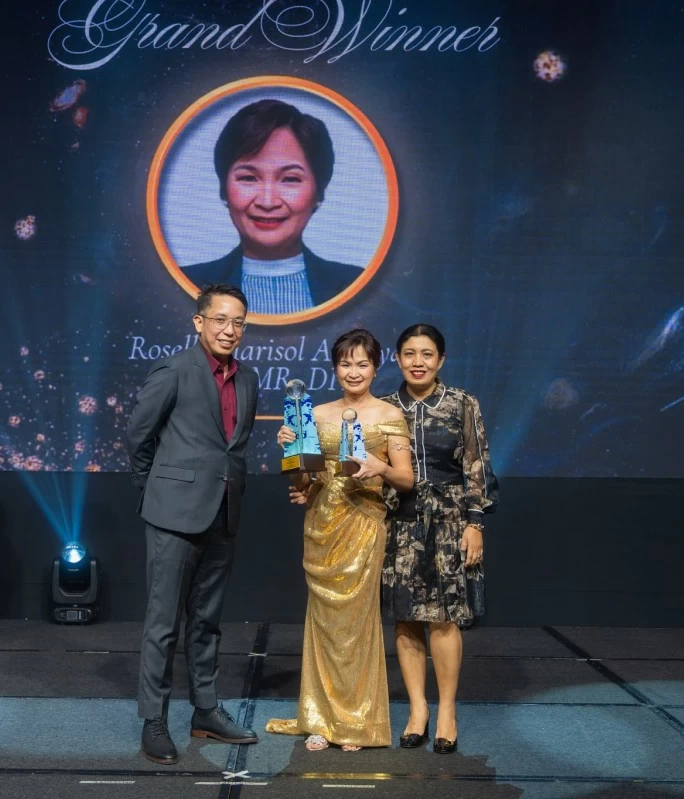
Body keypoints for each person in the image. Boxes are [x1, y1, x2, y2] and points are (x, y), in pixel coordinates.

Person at [126, 283, 261, 765]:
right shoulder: (173, 370)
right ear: (199, 322)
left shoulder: (247, 379)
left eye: (238, 322)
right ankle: (154, 721)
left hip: (223, 512)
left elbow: (232, 449)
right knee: (163, 624)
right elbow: (138, 437)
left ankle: (205, 710)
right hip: (172, 514)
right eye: (220, 319)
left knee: (207, 622)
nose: (230, 329)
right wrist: (153, 493)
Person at [268, 329, 413, 751]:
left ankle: (358, 723)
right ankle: (322, 717)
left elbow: (406, 479)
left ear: (375, 367)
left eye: (362, 363)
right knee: (325, 621)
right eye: (346, 363)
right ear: (335, 367)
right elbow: (302, 480)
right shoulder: (315, 414)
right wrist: (290, 450)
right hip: (322, 523)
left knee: (357, 623)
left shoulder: (389, 415)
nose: (354, 371)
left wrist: (378, 466)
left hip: (365, 521)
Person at [381, 324, 499, 754]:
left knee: (444, 617)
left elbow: (477, 466)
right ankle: (418, 710)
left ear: (441, 360)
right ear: (397, 358)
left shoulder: (462, 404)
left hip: (450, 523)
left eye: (427, 354)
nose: (418, 361)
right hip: (397, 523)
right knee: (406, 617)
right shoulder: (383, 407)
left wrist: (475, 523)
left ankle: (447, 710)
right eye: (409, 353)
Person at [181, 98, 363, 316]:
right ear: (224, 189)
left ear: (318, 193)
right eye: (248, 178)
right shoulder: (182, 285)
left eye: (290, 179)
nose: (267, 202)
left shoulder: (358, 286)